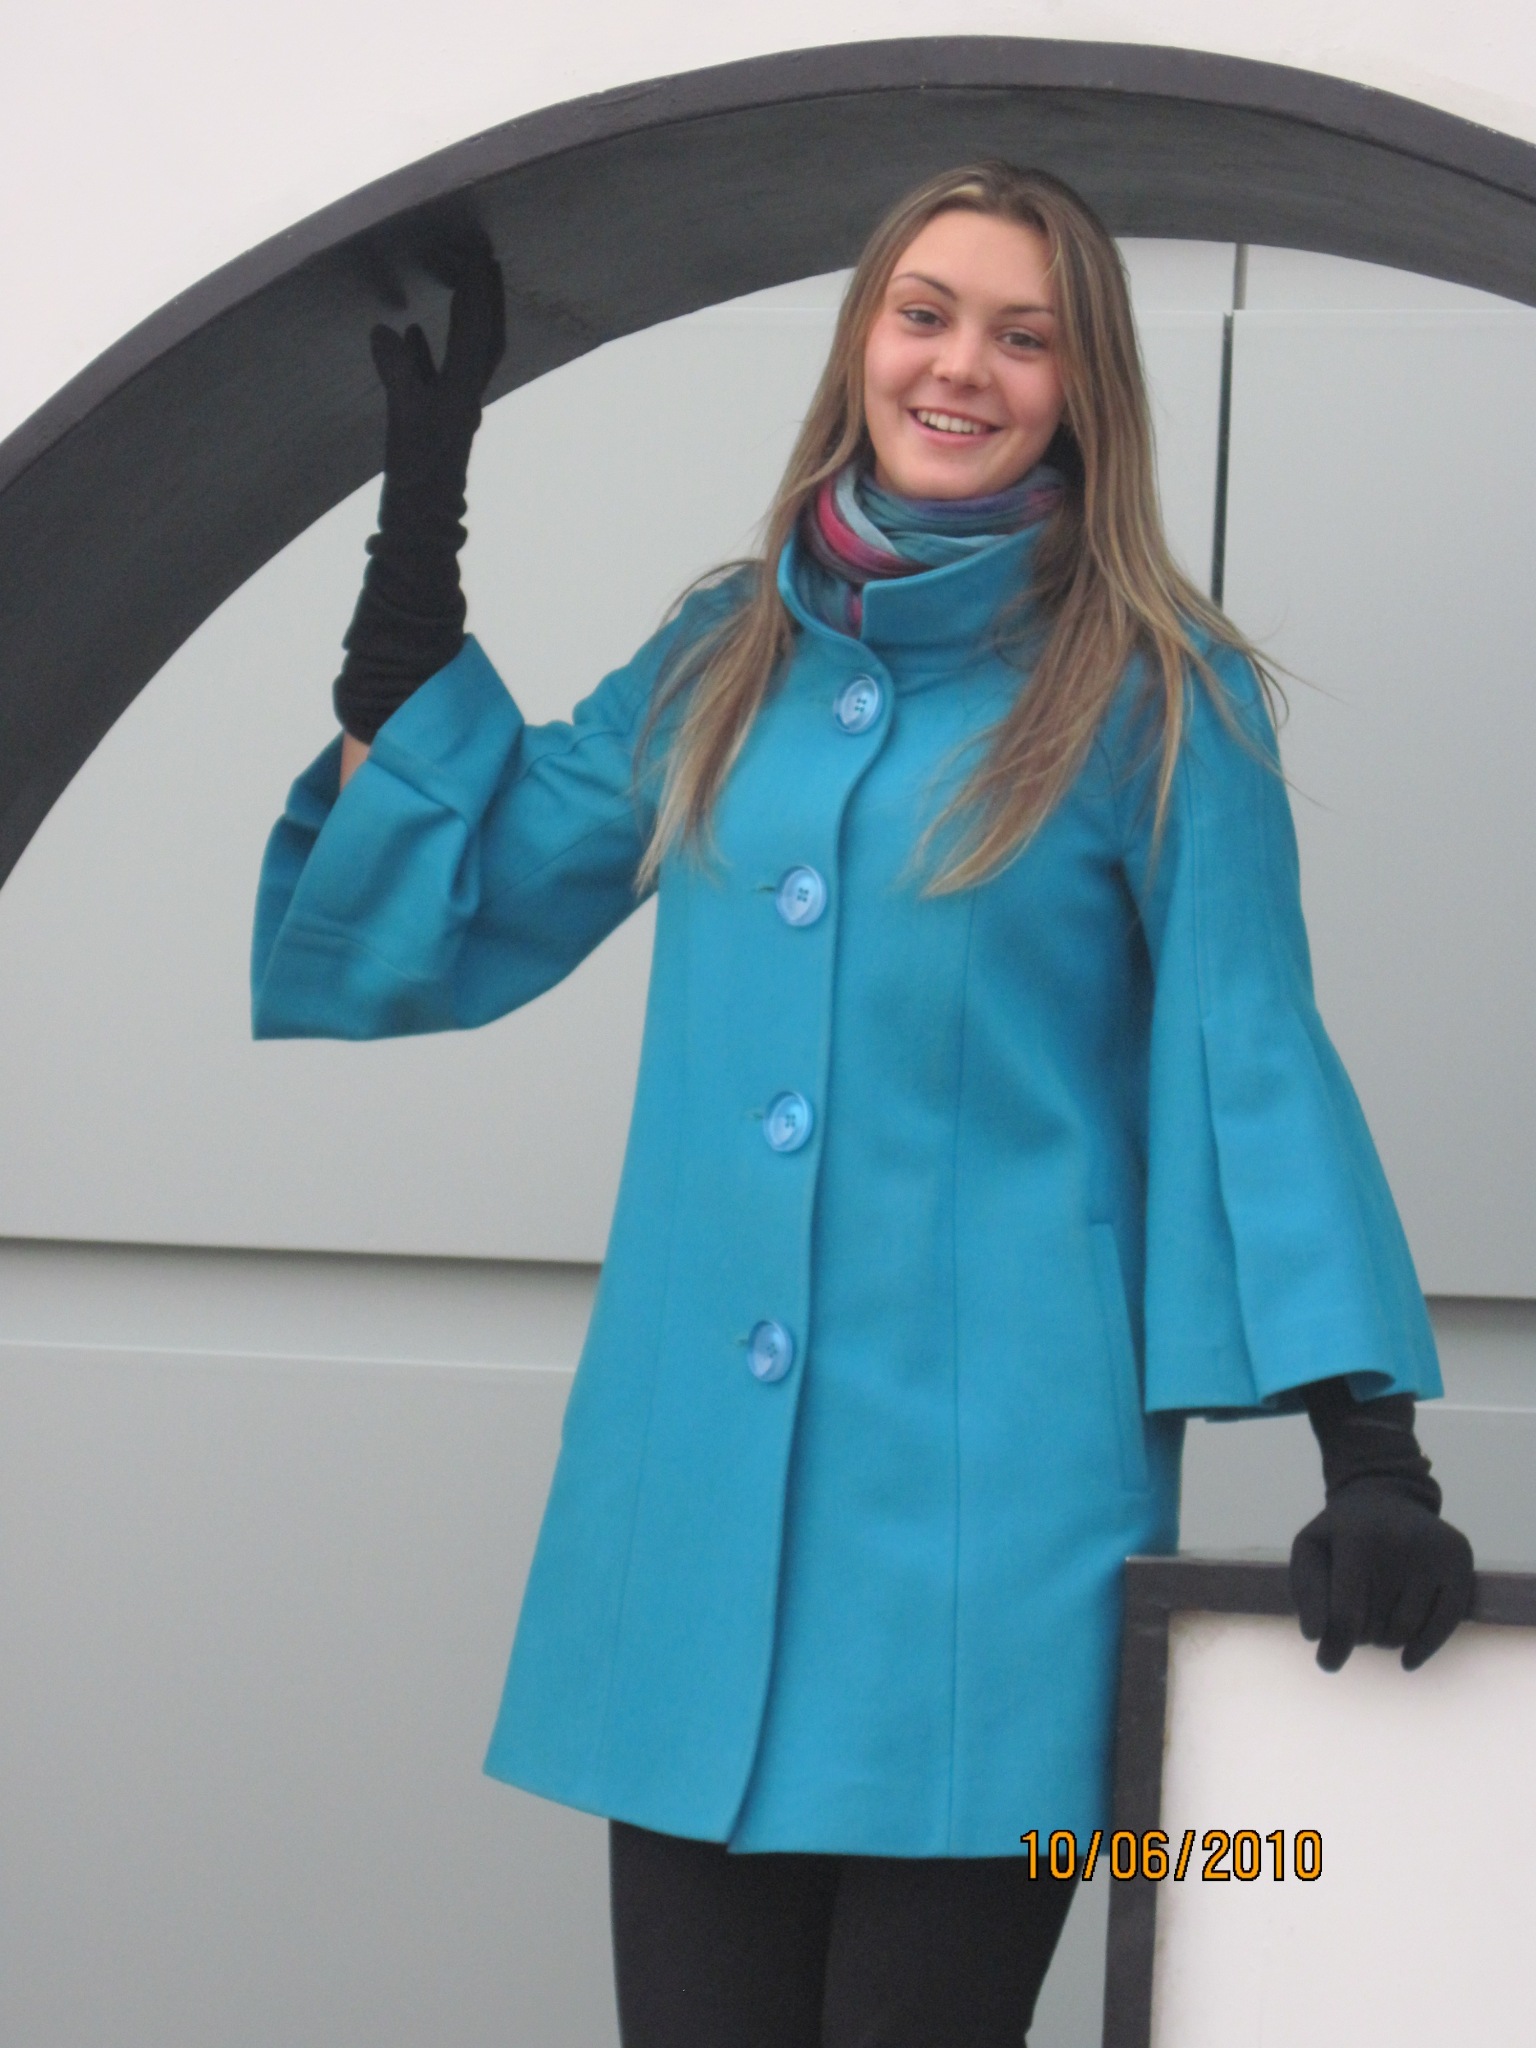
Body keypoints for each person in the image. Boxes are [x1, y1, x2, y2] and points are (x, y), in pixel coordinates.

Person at [251, 163, 1475, 2047]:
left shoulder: (1158, 694)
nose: (960, 365)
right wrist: (417, 538)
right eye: (925, 313)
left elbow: (1252, 1056)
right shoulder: (723, 654)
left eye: (1022, 334)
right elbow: (464, 886)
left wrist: (1371, 1457)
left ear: (1083, 386)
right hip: (692, 1527)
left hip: (999, 1551)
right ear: (861, 344)